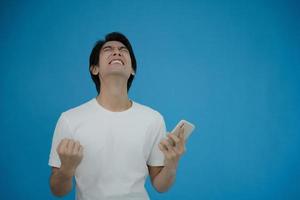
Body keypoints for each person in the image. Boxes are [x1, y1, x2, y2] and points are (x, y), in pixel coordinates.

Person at [48, 32, 186, 200]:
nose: (117, 52)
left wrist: (172, 165)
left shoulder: (153, 119)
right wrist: (66, 169)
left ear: (132, 70)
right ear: (94, 68)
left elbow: (160, 186)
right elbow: (58, 190)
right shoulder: (69, 119)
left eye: (123, 50)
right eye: (108, 49)